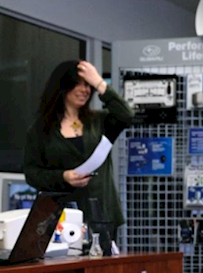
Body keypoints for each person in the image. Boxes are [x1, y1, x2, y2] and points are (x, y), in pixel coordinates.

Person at [23, 59, 134, 248]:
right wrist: (63, 176)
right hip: (60, 217)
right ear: (63, 87)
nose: (85, 90)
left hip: (101, 214)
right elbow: (32, 173)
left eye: (88, 85)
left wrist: (100, 83)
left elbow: (127, 115)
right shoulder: (41, 129)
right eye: (79, 84)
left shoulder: (99, 121)